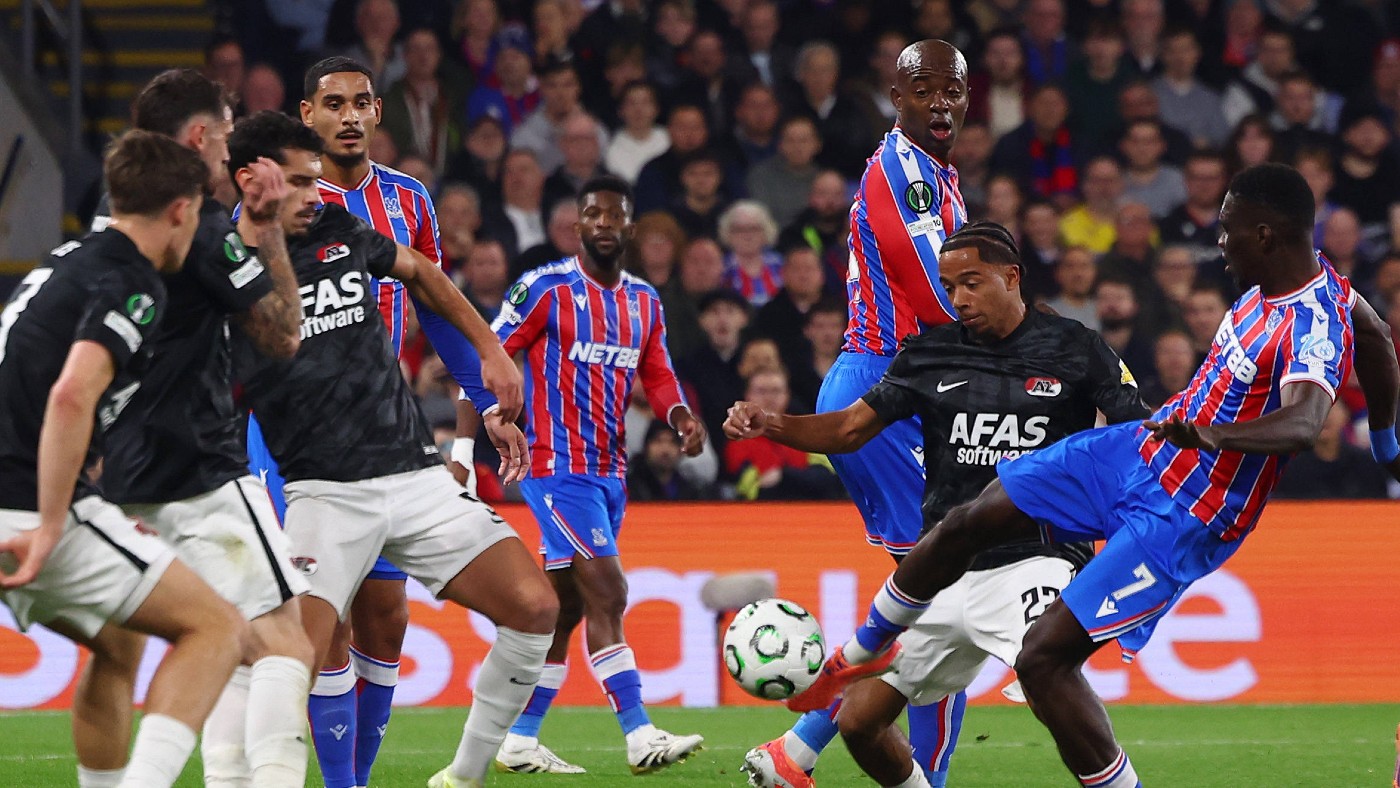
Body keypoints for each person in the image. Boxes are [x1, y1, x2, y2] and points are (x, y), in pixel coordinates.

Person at [789, 164, 1400, 788]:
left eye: (1228, 230)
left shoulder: (1311, 320)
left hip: (1187, 510)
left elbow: (1303, 422)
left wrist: (1212, 435)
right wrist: (1387, 444)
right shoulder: (1316, 283)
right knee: (977, 512)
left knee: (1042, 662)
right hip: (1140, 450)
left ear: (1265, 235)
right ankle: (852, 657)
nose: (1219, 243)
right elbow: (1377, 336)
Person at [724, 222, 1150, 788]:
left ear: (1011, 276)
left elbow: (1140, 435)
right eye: (949, 287)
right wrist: (772, 422)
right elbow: (849, 428)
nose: (959, 299)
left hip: (1037, 559)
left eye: (972, 283)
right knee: (859, 722)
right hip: (943, 567)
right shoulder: (930, 354)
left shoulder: (1078, 348)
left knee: (1046, 672)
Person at [223, 110, 557, 788]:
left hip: (412, 475)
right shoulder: (220, 265)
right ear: (251, 180)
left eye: (316, 179)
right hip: (324, 491)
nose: (317, 194)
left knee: (535, 608)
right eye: (299, 182)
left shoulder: (338, 228)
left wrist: (490, 355)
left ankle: (462, 776)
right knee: (288, 657)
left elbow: (422, 274)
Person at [288, 56, 524, 788]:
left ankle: (355, 779)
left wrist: (485, 404)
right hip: (298, 437)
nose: (349, 116)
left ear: (378, 112)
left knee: (387, 616)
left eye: (361, 102)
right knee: (323, 620)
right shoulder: (280, 201)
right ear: (307, 115)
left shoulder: (409, 199)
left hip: (386, 433)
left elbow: (436, 308)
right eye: (333, 104)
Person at [742, 38, 971, 788]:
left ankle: (798, 750)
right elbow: (937, 293)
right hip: (885, 390)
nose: (940, 103)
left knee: (931, 599)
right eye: (923, 89)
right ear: (896, 98)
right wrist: (1021, 347)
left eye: (952, 90)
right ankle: (873, 765)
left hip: (907, 393)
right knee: (946, 598)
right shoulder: (903, 172)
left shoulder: (935, 174)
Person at [85, 69, 313, 788]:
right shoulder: (201, 224)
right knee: (283, 642)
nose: (230, 146)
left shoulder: (111, 215)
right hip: (198, 466)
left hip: (114, 470)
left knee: (129, 653)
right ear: (197, 135)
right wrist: (265, 226)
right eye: (225, 131)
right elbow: (281, 335)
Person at [0, 131, 246, 788]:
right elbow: (71, 393)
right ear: (180, 210)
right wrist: (53, 524)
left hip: (14, 488)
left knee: (117, 639)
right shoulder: (134, 281)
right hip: (22, 502)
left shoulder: (68, 259)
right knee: (216, 630)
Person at [492, 176, 709, 775]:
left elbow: (658, 373)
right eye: (594, 215)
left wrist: (681, 416)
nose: (604, 223)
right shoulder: (546, 289)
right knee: (610, 592)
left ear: (630, 229)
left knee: (566, 609)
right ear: (577, 226)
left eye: (615, 216)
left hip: (610, 471)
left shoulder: (644, 301)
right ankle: (639, 734)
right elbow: (493, 350)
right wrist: (483, 424)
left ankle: (519, 739)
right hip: (556, 467)